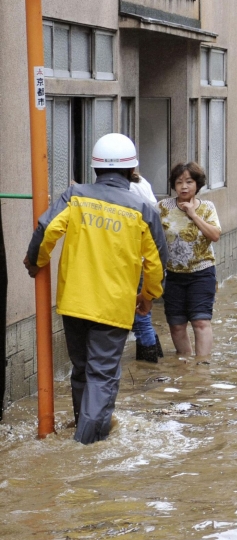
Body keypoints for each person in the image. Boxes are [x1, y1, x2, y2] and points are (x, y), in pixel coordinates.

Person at [23, 133, 165, 444]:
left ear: (95, 169)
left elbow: (47, 228)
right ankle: (84, 447)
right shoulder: (143, 209)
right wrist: (147, 296)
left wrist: (36, 260)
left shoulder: (75, 196)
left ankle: (83, 430)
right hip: (112, 308)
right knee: (101, 376)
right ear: (131, 171)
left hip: (73, 302)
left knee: (82, 370)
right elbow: (156, 263)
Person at [158, 162, 222, 358]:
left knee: (201, 321)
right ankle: (184, 366)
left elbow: (215, 235)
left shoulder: (207, 207)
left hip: (202, 272)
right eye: (179, 182)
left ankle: (202, 367)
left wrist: (193, 215)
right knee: (176, 324)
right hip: (173, 274)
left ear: (197, 184)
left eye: (188, 182)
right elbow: (152, 236)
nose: (183, 186)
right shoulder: (163, 207)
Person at [129, 167, 165, 363]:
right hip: (144, 258)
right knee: (143, 317)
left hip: (135, 260)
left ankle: (148, 368)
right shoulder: (142, 182)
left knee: (140, 318)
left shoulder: (129, 189)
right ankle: (153, 363)